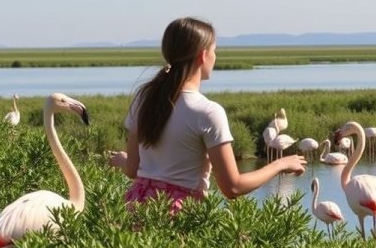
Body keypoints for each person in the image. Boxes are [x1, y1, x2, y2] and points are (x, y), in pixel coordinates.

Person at [108, 16, 306, 214]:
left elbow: (134, 169)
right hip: (178, 215)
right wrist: (280, 164)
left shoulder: (144, 98)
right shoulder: (208, 112)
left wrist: (122, 160)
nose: (215, 56)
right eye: (214, 51)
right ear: (203, 55)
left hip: (136, 208)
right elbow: (233, 187)